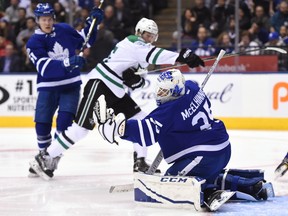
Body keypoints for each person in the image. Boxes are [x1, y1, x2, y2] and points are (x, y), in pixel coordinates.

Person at [29, 17, 205, 180]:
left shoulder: (142, 55)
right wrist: (181, 56)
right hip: (100, 83)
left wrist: (135, 81)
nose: (148, 38)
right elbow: (155, 55)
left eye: (152, 36)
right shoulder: (133, 42)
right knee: (81, 129)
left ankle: (140, 161)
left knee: (142, 120)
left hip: (116, 91)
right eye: (146, 34)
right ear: (139, 33)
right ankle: (44, 157)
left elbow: (139, 81)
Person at [94, 69, 272, 210]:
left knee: (173, 183)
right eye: (160, 90)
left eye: (165, 91)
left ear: (176, 90)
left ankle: (209, 192)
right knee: (204, 176)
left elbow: (145, 133)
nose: (160, 94)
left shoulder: (168, 111)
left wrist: (117, 128)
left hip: (204, 156)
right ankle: (251, 186)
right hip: (221, 147)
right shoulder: (193, 88)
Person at [26, 3, 104, 177]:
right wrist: (68, 62)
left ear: (54, 18)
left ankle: (52, 158)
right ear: (37, 20)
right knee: (43, 123)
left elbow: (85, 40)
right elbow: (44, 67)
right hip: (48, 87)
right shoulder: (34, 42)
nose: (47, 22)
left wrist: (93, 24)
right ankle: (43, 155)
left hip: (71, 85)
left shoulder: (64, 29)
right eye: (43, 19)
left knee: (65, 122)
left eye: (49, 19)